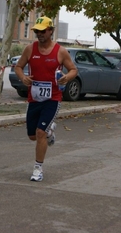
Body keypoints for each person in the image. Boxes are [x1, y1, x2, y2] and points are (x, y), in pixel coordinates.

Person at [15, 16, 78, 181]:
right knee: (32, 136)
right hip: (34, 99)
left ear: (51, 31)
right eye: (37, 31)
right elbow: (18, 66)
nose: (39, 34)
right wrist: (23, 78)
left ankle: (38, 169)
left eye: (42, 31)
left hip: (53, 98)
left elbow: (73, 70)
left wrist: (66, 77)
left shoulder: (60, 51)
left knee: (40, 132)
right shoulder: (30, 49)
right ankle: (50, 131)